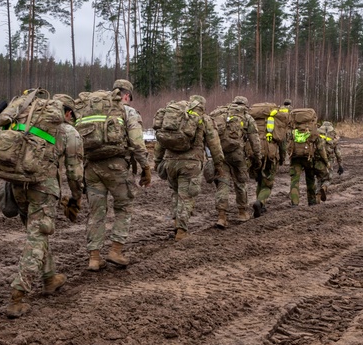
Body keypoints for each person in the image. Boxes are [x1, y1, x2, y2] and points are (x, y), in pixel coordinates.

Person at [7, 96, 84, 318]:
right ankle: (17, 295)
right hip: (42, 187)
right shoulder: (68, 132)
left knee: (36, 233)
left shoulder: (28, 122)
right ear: (68, 114)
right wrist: (76, 197)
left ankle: (49, 277)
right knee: (37, 238)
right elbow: (75, 173)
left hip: (18, 185)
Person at [84, 79, 150, 271]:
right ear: (127, 95)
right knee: (124, 207)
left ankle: (94, 258)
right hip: (116, 167)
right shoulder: (128, 111)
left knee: (96, 212)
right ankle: (115, 250)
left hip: (92, 167)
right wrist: (145, 168)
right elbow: (137, 143)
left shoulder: (93, 111)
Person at [154, 95, 224, 241]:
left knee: (176, 193)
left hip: (170, 162)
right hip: (191, 164)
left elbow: (160, 141)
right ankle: (181, 232)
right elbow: (215, 145)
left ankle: (175, 224)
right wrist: (218, 164)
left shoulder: (176, 118)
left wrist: (157, 160)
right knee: (186, 197)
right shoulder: (204, 119)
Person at [212, 96, 261, 226]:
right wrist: (257, 157)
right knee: (241, 183)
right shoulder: (246, 117)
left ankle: (222, 216)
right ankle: (242, 212)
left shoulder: (221, 113)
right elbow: (255, 141)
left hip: (221, 154)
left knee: (223, 183)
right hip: (238, 155)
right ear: (245, 105)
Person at [251, 99, 292, 217]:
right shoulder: (276, 120)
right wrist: (283, 158)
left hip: (255, 153)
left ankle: (260, 204)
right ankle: (260, 202)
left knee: (259, 180)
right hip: (270, 154)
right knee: (268, 183)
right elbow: (283, 143)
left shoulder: (253, 119)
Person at [316, 120, 344, 202]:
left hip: (318, 159)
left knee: (318, 178)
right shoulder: (333, 136)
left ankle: (317, 196)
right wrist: (340, 165)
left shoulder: (318, 133)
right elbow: (338, 152)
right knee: (328, 178)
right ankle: (324, 187)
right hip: (329, 160)